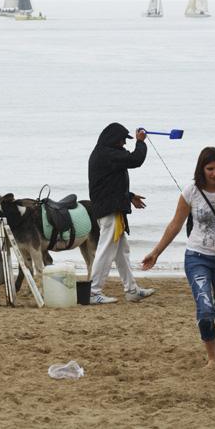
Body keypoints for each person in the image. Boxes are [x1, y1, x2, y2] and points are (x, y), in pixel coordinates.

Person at [141, 146, 215, 369]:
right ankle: (212, 358)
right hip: (197, 257)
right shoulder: (191, 192)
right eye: (210, 169)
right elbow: (175, 225)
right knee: (205, 310)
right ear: (202, 169)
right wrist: (156, 253)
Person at [88, 123, 153, 304]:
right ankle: (93, 291)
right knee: (106, 250)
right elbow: (135, 160)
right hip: (110, 211)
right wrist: (140, 142)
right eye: (123, 139)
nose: (125, 143)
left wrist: (130, 196)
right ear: (114, 139)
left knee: (121, 251)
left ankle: (131, 290)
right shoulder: (107, 153)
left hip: (109, 208)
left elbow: (109, 184)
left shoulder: (104, 154)